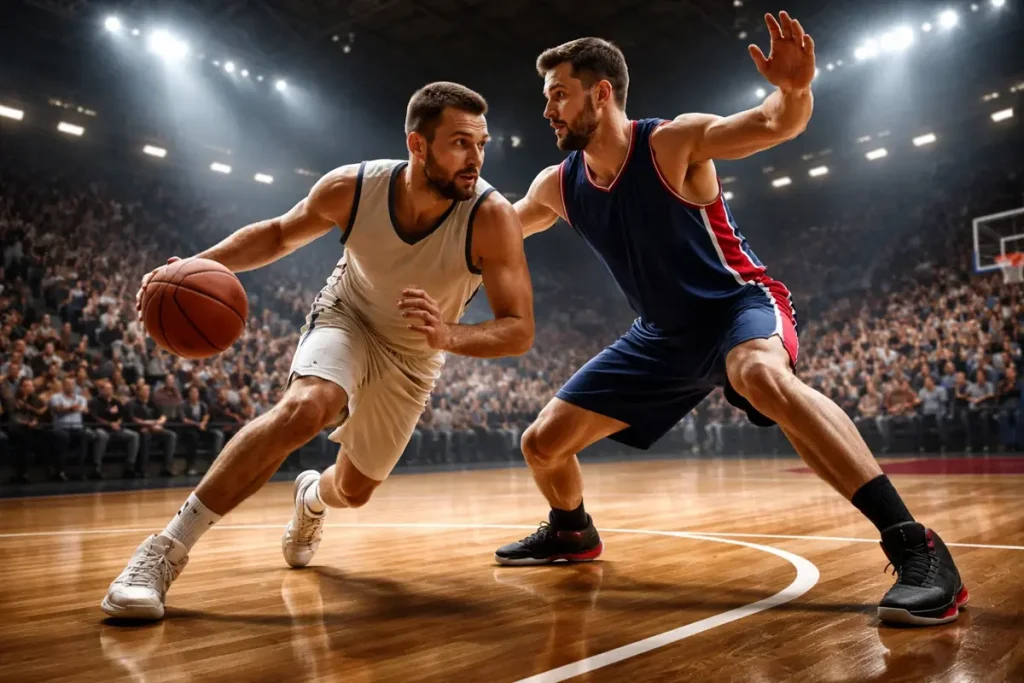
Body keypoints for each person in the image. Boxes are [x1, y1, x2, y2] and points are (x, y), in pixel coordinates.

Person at [498, 13, 965, 626]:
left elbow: (773, 124)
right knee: (542, 444)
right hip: (661, 336)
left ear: (601, 92)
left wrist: (795, 90)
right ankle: (571, 531)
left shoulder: (672, 143)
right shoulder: (558, 185)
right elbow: (500, 229)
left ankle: (917, 548)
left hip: (737, 303)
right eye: (547, 98)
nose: (549, 110)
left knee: (760, 378)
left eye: (559, 94)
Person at [101, 81, 535, 620]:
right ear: (417, 146)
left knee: (354, 491)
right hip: (347, 314)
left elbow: (518, 329)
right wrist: (187, 268)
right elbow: (279, 234)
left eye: (481, 144)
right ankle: (162, 552)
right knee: (306, 407)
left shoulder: (491, 218)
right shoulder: (354, 188)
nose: (475, 159)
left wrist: (450, 335)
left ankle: (311, 498)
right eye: (460, 143)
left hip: (416, 354)